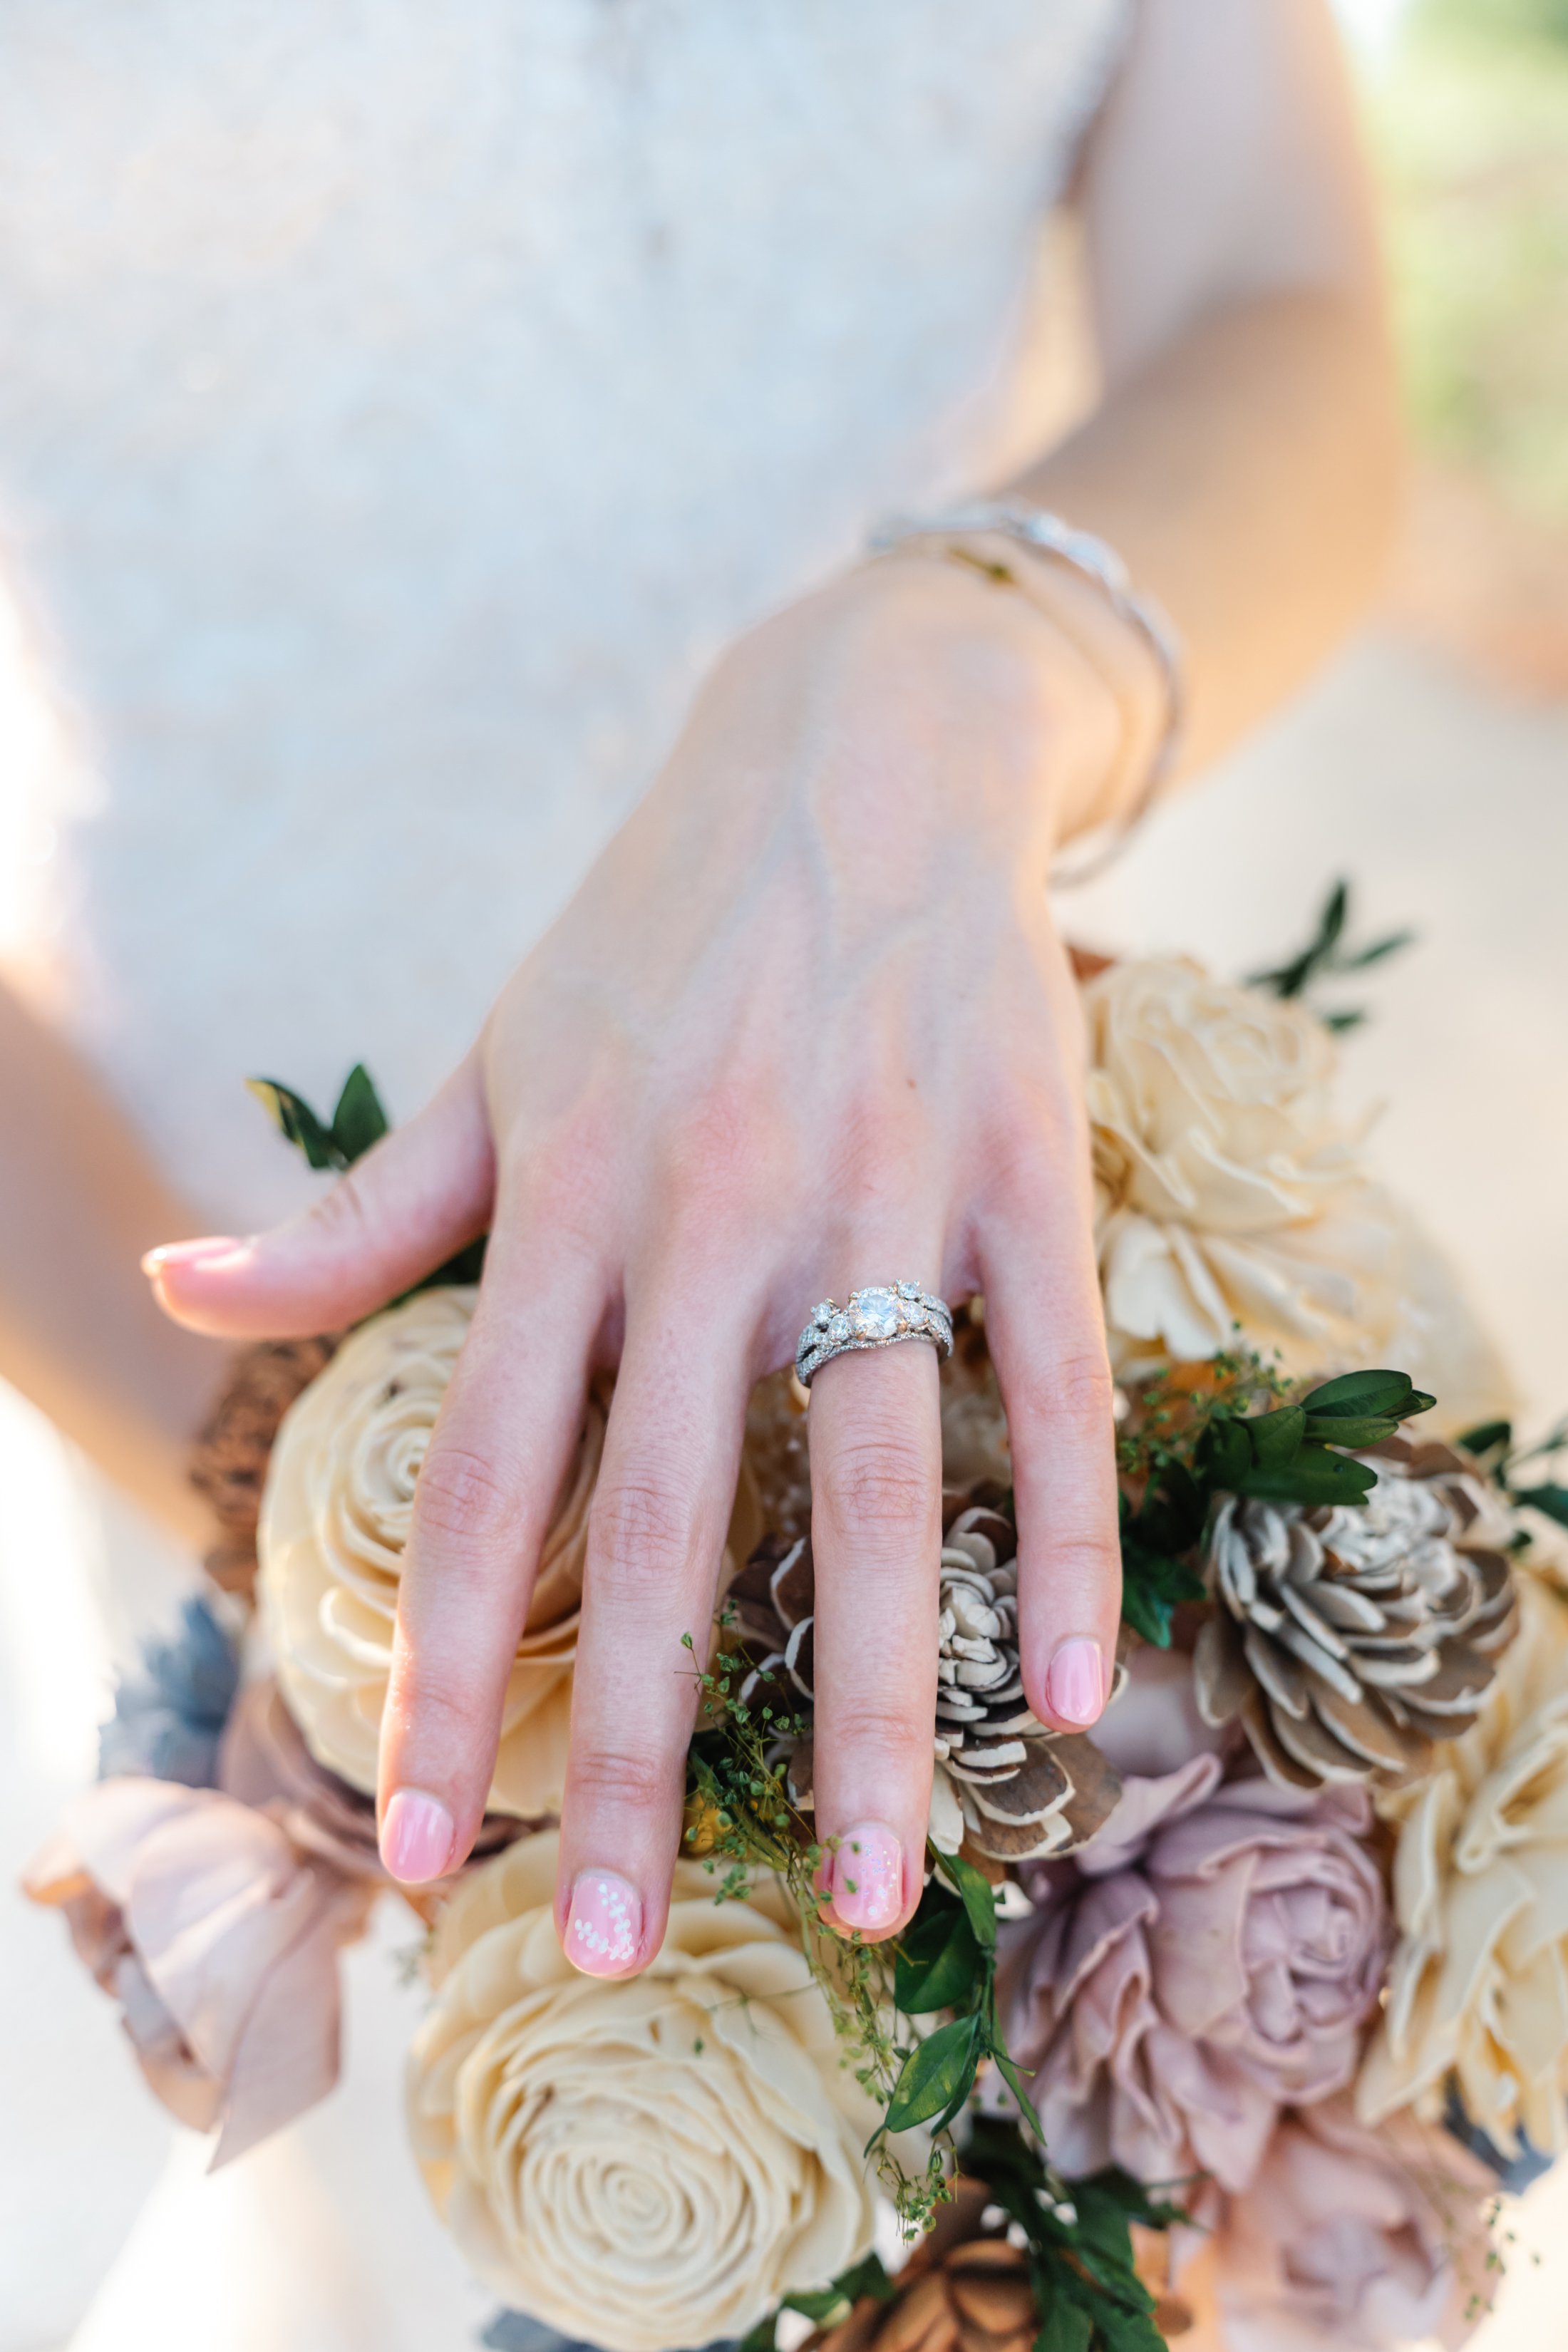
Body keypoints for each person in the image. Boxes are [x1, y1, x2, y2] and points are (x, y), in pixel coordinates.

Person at [0, 0, 1396, 2336]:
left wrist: (960, 670)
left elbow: (1283, 291)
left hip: (950, 1186)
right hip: (189, 1289)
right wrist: (322, 1533)